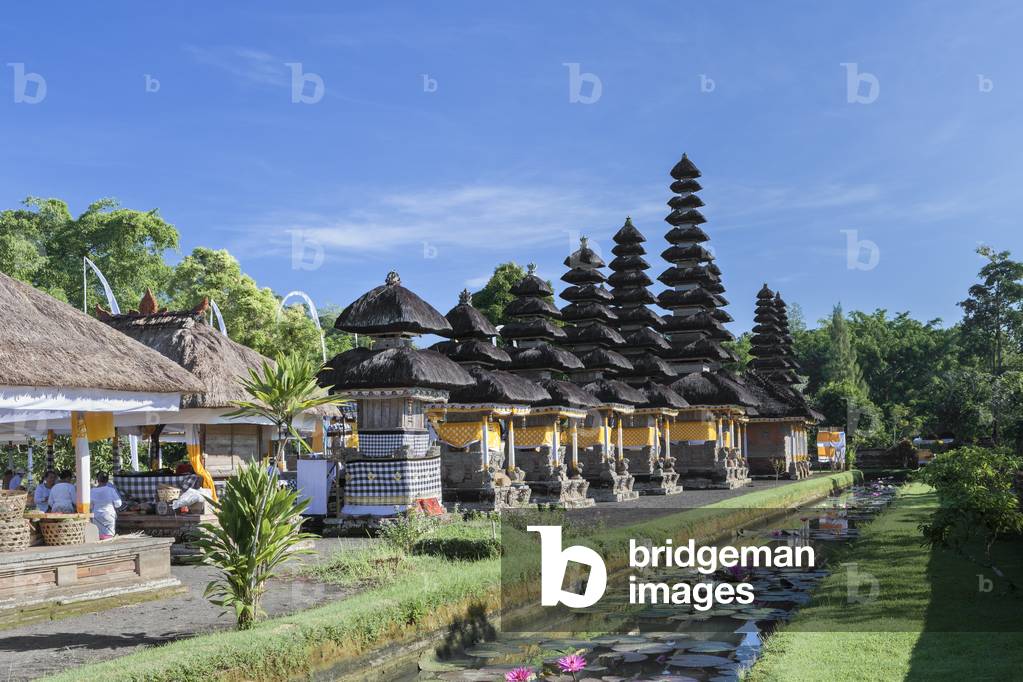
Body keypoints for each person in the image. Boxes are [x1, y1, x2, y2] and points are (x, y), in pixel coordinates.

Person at [90, 472, 122, 540]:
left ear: (97, 480)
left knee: (98, 536)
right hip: (109, 515)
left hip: (96, 516)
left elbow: (90, 505)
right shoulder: (111, 490)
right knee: (110, 536)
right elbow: (118, 504)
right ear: (107, 480)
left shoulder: (92, 491)